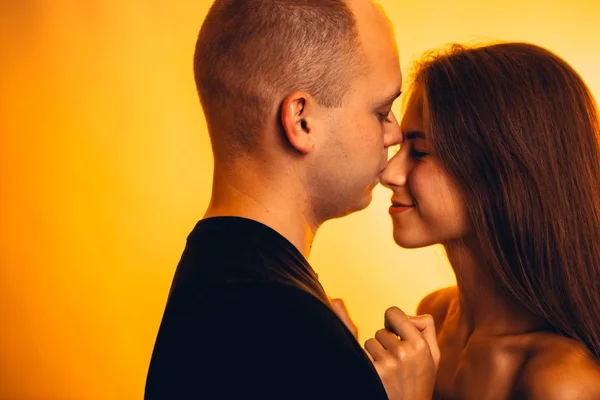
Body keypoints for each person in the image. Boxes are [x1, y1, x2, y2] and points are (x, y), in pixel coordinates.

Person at [145, 0, 438, 399]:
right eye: (382, 110)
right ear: (302, 121)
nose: (394, 134)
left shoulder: (223, 277)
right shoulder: (281, 321)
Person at [378, 42, 600, 399]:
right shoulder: (432, 314)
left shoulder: (560, 379)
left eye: (418, 152)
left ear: (501, 172)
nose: (388, 173)